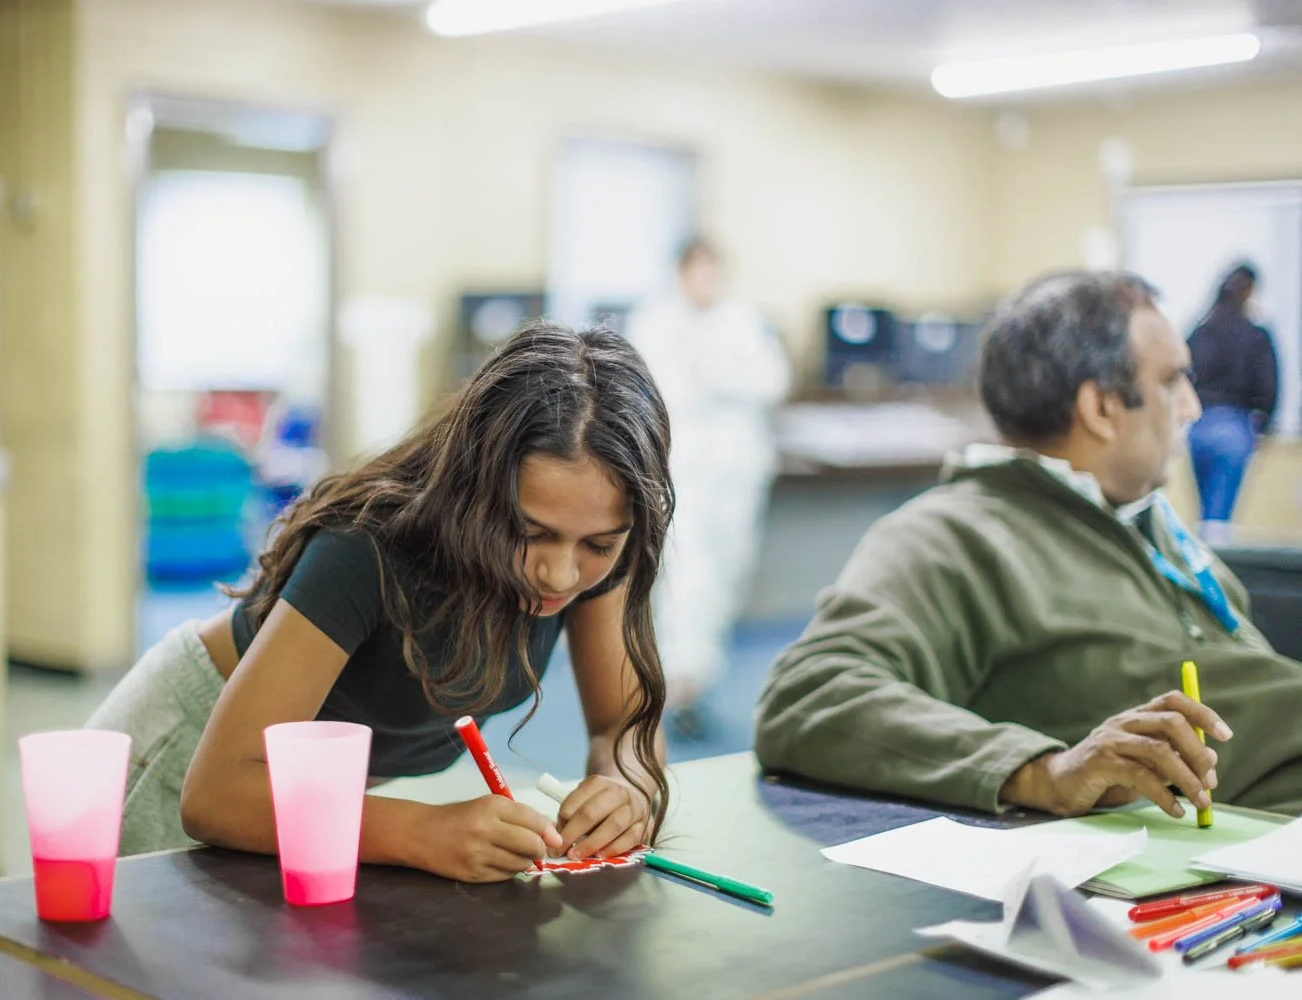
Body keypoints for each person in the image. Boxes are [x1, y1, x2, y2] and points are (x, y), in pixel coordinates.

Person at [89, 321, 674, 882]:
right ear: (477, 489)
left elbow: (622, 724)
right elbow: (216, 794)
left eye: (599, 544)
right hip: (189, 750)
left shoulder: (590, 548)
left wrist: (624, 788)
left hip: (313, 798)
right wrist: (424, 832)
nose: (561, 573)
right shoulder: (366, 547)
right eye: (529, 533)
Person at [754, 270, 1302, 819]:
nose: (1191, 408)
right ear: (1102, 408)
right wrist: (1044, 771)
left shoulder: (1144, 518)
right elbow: (810, 693)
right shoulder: (955, 534)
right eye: (1171, 381)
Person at [625, 236, 789, 739]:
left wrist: (716, 376)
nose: (708, 283)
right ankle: (680, 687)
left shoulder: (741, 320)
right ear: (681, 273)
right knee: (686, 581)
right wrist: (727, 378)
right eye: (700, 272)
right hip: (684, 476)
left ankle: (700, 681)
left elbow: (772, 382)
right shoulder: (653, 323)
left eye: (715, 272)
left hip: (737, 476)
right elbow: (660, 393)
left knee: (726, 579)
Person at [1186, 263, 1279, 543]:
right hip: (1233, 429)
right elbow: (1269, 385)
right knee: (1219, 523)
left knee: (1205, 517)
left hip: (1198, 426)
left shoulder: (1200, 331)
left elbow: (1183, 376)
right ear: (1249, 290)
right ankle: (1211, 583)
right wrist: (1265, 426)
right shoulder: (1255, 334)